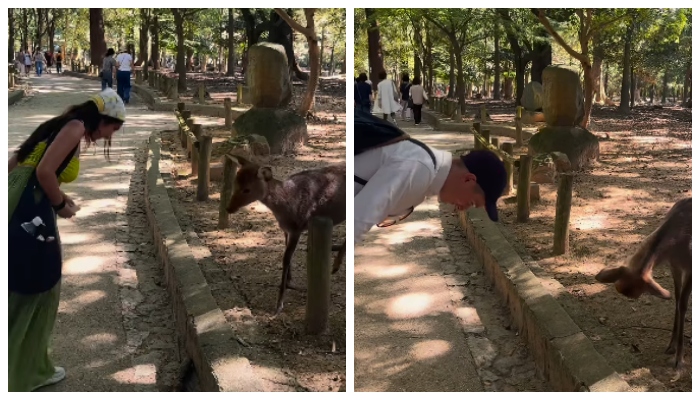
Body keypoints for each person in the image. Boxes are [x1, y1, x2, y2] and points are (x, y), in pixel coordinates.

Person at [8, 88, 126, 392]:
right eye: (114, 127)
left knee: (19, 281)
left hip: (22, 203)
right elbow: (44, 170)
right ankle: (26, 372)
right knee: (38, 285)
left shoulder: (62, 124)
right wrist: (58, 205)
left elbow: (19, 162)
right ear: (104, 119)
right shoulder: (75, 128)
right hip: (30, 211)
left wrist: (55, 196)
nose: (110, 135)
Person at [354, 111, 507, 243]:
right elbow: (359, 217)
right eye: (471, 202)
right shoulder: (420, 169)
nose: (462, 208)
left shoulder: (426, 171)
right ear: (468, 179)